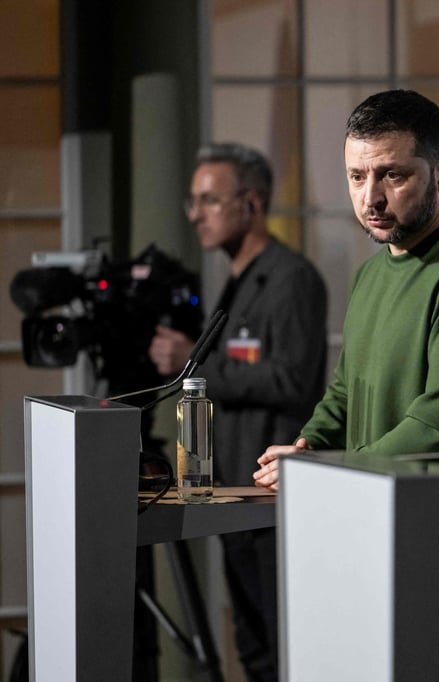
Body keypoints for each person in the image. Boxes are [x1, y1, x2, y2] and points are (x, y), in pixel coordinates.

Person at [253, 90, 439, 680]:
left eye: (393, 175)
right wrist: (306, 447)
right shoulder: (372, 272)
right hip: (367, 534)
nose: (370, 198)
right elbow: (346, 391)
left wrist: (324, 476)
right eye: (357, 176)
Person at [149, 142, 327, 682]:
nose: (196, 214)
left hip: (272, 501)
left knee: (283, 651)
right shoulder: (235, 280)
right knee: (252, 648)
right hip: (235, 496)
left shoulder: (291, 278)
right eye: (192, 202)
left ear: (250, 203)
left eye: (208, 199)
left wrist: (192, 363)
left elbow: (293, 379)